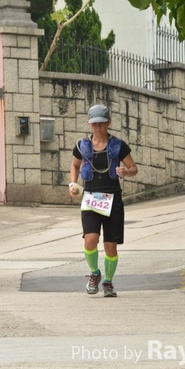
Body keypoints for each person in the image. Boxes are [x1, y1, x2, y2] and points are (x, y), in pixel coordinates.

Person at [69, 104, 138, 297]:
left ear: (108, 122)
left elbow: (133, 168)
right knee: (90, 240)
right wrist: (72, 183)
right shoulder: (82, 146)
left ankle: (108, 282)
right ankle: (94, 273)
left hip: (113, 200)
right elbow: (74, 166)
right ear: (89, 124)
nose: (98, 127)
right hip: (91, 199)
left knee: (110, 246)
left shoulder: (118, 145)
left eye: (101, 123)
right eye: (94, 124)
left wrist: (125, 172)